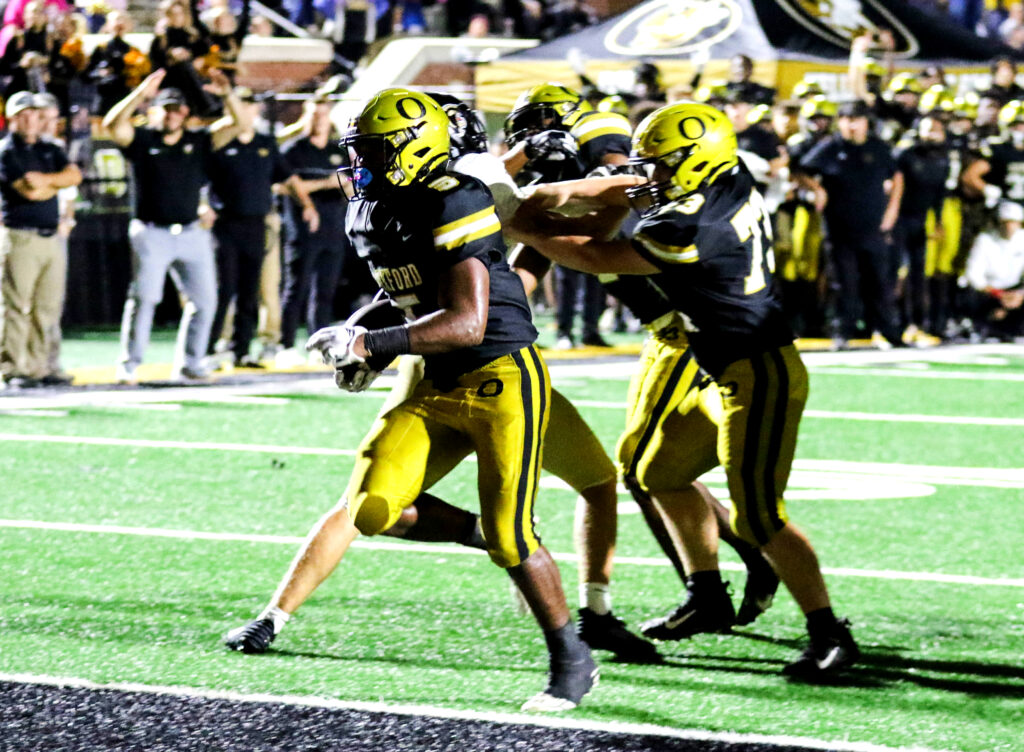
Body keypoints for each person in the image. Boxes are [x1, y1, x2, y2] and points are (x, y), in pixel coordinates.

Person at [226, 89, 597, 712]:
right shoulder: (373, 208)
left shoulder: (455, 195)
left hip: (501, 377)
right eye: (358, 152)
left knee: (514, 538)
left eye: (373, 152)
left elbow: (467, 321)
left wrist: (374, 343)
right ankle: (485, 530)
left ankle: (571, 658)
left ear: (414, 148)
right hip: (436, 382)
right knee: (371, 507)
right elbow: (404, 295)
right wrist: (360, 340)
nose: (361, 165)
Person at [508, 101, 858, 680]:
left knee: (759, 515)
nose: (657, 176)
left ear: (698, 158)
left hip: (759, 368)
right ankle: (706, 590)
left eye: (668, 165)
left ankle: (830, 633)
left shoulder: (690, 225)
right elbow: (637, 189)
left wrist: (515, 221)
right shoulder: (729, 174)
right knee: (654, 471)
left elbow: (596, 255)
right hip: (718, 361)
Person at [103, 67, 247, 384]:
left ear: (185, 113)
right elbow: (112, 125)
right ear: (158, 111)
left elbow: (240, 124)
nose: (172, 115)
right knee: (145, 298)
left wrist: (228, 95)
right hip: (151, 231)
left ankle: (191, 362)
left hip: (192, 232)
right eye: (167, 108)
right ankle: (129, 363)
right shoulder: (144, 140)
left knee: (205, 300)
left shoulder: (198, 141)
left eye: (177, 109)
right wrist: (140, 93)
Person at [502, 83, 633, 349]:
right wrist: (502, 306)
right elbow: (534, 251)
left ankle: (587, 330)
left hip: (672, 269)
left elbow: (622, 182)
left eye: (535, 120)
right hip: (640, 286)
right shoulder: (556, 173)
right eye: (524, 125)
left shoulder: (593, 126)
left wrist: (547, 199)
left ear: (568, 113)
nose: (529, 132)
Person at [205, 86, 318, 369]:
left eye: (250, 104)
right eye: (242, 103)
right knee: (223, 288)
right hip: (226, 223)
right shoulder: (219, 142)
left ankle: (241, 349)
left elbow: (288, 177)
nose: (247, 109)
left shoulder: (265, 143)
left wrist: (307, 204)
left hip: (257, 224)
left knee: (250, 290)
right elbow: (199, 177)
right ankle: (207, 349)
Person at [797, 99, 905, 350]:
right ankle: (842, 332)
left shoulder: (878, 148)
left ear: (866, 123)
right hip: (839, 228)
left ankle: (889, 332)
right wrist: (817, 189)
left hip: (874, 227)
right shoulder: (830, 147)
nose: (852, 126)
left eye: (856, 120)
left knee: (880, 282)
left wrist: (892, 211)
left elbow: (896, 176)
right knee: (844, 283)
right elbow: (801, 170)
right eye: (846, 120)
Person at [0, 90, 82, 389]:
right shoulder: (6, 151)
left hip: (50, 236)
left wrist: (47, 181)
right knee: (17, 305)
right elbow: (28, 191)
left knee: (46, 307)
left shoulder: (49, 148)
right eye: (23, 114)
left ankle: (38, 366)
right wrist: (54, 183)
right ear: (12, 118)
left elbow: (73, 177)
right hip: (20, 235)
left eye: (33, 113)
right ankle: (14, 367)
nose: (30, 119)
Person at [273, 95, 350, 368]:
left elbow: (348, 185)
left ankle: (319, 344)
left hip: (333, 226)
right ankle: (285, 344)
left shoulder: (337, 151)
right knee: (297, 287)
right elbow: (282, 186)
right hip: (303, 228)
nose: (319, 120)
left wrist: (342, 185)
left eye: (323, 115)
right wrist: (325, 183)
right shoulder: (294, 151)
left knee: (325, 290)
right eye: (314, 115)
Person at [892, 115, 951, 342]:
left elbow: (938, 193)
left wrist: (937, 220)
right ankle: (895, 322)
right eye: (929, 129)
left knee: (919, 273)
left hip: (920, 220)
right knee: (898, 273)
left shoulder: (941, 158)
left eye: (937, 129)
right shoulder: (905, 154)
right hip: (899, 219)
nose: (933, 134)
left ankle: (917, 322)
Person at [962, 200, 1024, 339]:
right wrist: (999, 295)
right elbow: (973, 274)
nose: (1009, 227)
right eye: (1005, 222)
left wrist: (1020, 295)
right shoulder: (984, 239)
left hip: (1015, 293)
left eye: (1013, 222)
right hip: (990, 292)